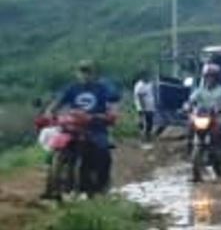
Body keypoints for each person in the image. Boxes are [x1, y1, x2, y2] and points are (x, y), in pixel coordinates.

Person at [49, 61, 120, 196]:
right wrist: (50, 113)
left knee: (104, 152)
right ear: (77, 73)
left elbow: (111, 107)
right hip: (73, 126)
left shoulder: (102, 89)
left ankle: (102, 187)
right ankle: (52, 183)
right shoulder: (71, 89)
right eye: (82, 72)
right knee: (55, 147)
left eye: (87, 72)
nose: (84, 75)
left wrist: (106, 116)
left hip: (96, 127)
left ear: (93, 74)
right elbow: (56, 104)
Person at [132, 73, 157, 141]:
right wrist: (143, 107)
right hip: (142, 105)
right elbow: (140, 97)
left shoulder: (149, 84)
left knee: (150, 121)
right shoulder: (139, 85)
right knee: (143, 120)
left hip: (150, 105)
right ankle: (142, 135)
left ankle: (147, 134)